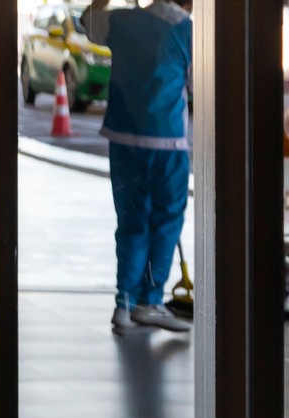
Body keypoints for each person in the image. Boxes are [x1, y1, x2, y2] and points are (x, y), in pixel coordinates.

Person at [84, 0, 193, 333]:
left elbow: (87, 21)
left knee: (131, 221)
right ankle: (151, 301)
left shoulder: (120, 20)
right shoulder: (188, 30)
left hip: (122, 137)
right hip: (167, 142)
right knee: (165, 221)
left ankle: (124, 304)